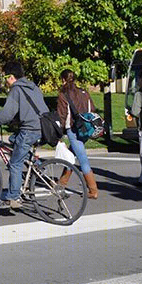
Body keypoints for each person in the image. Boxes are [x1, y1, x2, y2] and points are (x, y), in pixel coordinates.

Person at [0, 60, 46, 210]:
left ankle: (12, 197)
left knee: (15, 163)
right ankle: (35, 163)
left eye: (5, 77)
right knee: (13, 139)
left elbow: (5, 115)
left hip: (29, 130)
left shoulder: (16, 90)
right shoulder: (33, 87)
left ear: (11, 77)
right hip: (43, 127)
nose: (5, 81)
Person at [56, 69, 99, 199]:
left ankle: (93, 190)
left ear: (63, 79)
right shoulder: (84, 93)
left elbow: (62, 115)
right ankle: (61, 184)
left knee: (82, 159)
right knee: (71, 155)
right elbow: (92, 110)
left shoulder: (63, 94)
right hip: (86, 129)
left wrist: (59, 133)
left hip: (73, 129)